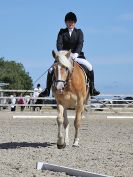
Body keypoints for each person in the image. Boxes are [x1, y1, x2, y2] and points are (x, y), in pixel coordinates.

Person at [43, 12, 100, 96]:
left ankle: (92, 88)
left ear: (75, 23)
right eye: (68, 22)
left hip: (77, 56)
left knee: (89, 67)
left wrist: (76, 53)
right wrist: (62, 54)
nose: (70, 23)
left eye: (72, 22)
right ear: (66, 22)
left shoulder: (79, 32)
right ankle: (47, 90)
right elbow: (59, 44)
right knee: (51, 69)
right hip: (63, 57)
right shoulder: (62, 32)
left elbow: (80, 44)